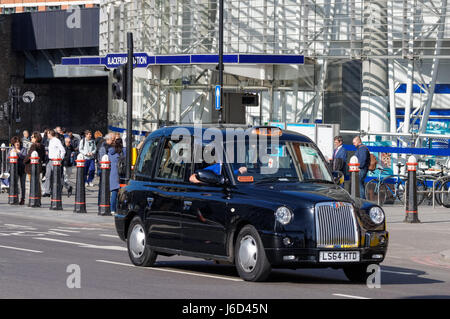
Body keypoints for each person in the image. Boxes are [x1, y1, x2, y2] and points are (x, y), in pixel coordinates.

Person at [42, 129, 66, 197]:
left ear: (50, 134)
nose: (47, 135)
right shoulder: (50, 141)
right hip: (50, 160)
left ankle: (67, 186)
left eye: (48, 133)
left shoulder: (56, 140)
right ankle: (47, 192)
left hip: (55, 160)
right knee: (47, 176)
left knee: (57, 176)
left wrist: (60, 159)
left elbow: (63, 150)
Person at [24, 132, 46, 201]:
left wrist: (24, 161)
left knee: (32, 182)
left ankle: (34, 198)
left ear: (36, 138)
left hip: (31, 167)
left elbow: (29, 155)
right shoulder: (42, 146)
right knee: (37, 182)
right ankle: (38, 197)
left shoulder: (33, 146)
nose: (31, 138)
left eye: (32, 137)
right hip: (39, 166)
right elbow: (43, 156)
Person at [108, 138, 125, 215]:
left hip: (113, 173)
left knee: (114, 192)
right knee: (122, 193)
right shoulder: (124, 151)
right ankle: (120, 208)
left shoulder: (110, 152)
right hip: (123, 173)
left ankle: (112, 209)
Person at [9, 136, 27, 205]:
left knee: (23, 185)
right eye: (16, 142)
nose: (17, 143)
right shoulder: (11, 149)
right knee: (14, 184)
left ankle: (23, 199)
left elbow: (24, 157)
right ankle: (14, 197)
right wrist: (11, 152)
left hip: (22, 169)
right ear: (13, 143)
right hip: (14, 170)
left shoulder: (23, 149)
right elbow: (8, 158)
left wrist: (18, 152)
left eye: (18, 142)